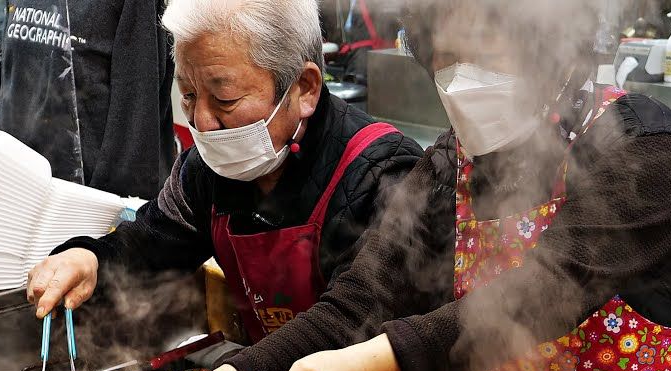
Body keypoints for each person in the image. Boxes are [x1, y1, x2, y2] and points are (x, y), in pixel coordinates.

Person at [216, 0, 671, 371]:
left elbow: (543, 292)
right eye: (446, 58)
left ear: (546, 49)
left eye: (486, 51)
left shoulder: (642, 149)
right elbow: (361, 299)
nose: (462, 78)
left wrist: (365, 365)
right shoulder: (449, 166)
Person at [25, 0, 423, 339]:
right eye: (189, 95)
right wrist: (90, 258)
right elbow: (151, 243)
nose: (202, 122)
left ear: (304, 88)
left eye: (225, 99)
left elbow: (347, 322)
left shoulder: (382, 173)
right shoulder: (206, 172)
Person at [0, 0, 176, 200]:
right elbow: (12, 79)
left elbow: (139, 111)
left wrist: (106, 211)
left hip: (87, 200)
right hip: (21, 184)